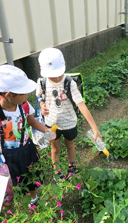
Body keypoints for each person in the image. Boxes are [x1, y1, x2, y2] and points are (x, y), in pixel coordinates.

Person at [36, 47, 102, 180]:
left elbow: (81, 105)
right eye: (51, 74)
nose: (55, 77)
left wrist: (95, 128)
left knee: (70, 144)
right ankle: (57, 171)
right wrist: (42, 105)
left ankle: (71, 166)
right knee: (55, 148)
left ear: (64, 66)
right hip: (51, 123)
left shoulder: (69, 83)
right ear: (42, 70)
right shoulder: (42, 82)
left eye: (57, 73)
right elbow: (39, 96)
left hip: (69, 123)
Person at [0, 65, 54, 205]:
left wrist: (46, 130)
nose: (27, 96)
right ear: (9, 96)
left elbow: (32, 122)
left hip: (26, 148)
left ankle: (33, 198)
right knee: (14, 181)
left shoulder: (24, 105)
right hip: (6, 154)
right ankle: (19, 203)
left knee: (31, 176)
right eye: (23, 93)